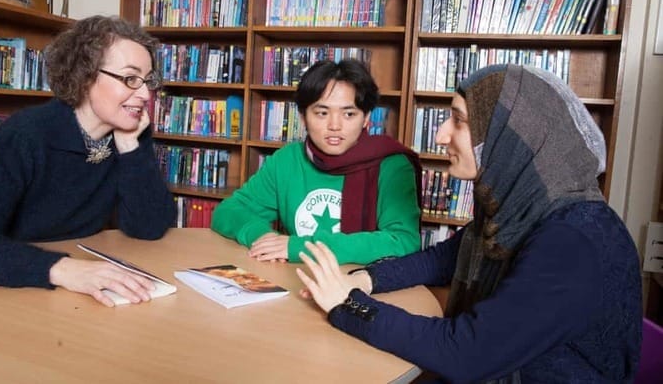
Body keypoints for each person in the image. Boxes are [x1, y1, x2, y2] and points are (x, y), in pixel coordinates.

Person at [296, 64, 642, 383]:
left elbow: (466, 353)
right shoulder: (518, 211)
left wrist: (348, 303)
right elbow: (440, 260)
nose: (441, 135)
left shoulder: (572, 242)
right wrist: (363, 279)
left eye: (458, 120)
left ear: (509, 140)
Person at [0, 15, 177, 307]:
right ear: (85, 77)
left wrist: (131, 149)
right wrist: (62, 269)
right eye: (131, 79)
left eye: (148, 81)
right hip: (3, 289)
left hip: (68, 294)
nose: (145, 94)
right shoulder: (24, 137)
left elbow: (149, 227)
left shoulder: (130, 133)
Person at [211, 59, 422, 264]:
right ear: (303, 117)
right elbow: (229, 211)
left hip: (365, 280)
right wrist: (263, 238)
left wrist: (300, 247)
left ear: (366, 118)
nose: (335, 126)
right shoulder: (288, 160)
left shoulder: (392, 165)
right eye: (322, 113)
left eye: (349, 114)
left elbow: (404, 241)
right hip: (297, 277)